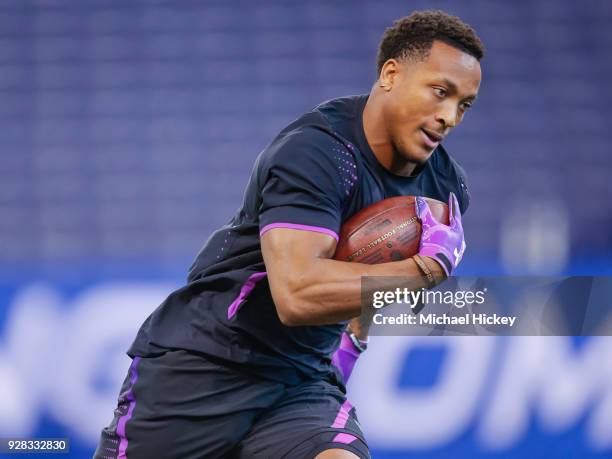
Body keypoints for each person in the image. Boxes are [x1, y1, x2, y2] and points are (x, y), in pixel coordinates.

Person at [94, 9, 484, 459]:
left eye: (464, 105)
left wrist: (349, 349)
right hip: (207, 366)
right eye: (440, 92)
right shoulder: (319, 153)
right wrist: (423, 270)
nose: (449, 116)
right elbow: (297, 294)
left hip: (299, 385)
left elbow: (370, 276)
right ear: (391, 74)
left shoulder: (444, 188)